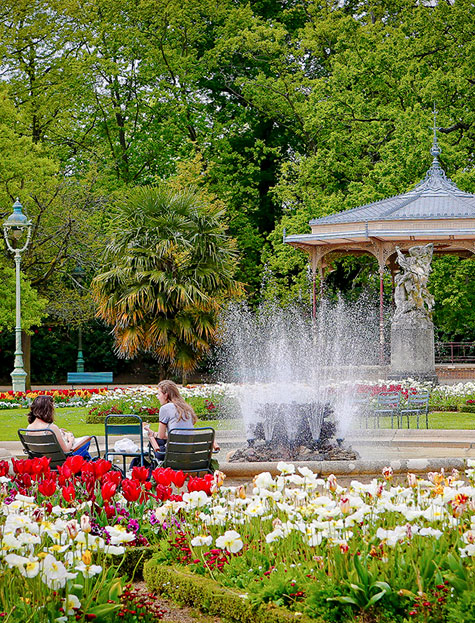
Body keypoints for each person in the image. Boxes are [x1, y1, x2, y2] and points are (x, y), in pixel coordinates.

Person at [144, 380, 219, 461]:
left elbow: (161, 436)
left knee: (151, 444)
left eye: (159, 394)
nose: (157, 397)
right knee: (160, 443)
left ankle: (146, 470)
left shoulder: (165, 408)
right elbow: (181, 434)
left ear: (166, 395)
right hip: (190, 452)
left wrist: (152, 435)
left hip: (173, 454)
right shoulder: (186, 408)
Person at [26, 395, 92, 459]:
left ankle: (88, 462)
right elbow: (66, 450)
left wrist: (59, 431)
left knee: (86, 455)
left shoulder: (29, 428)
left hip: (43, 460)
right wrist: (70, 439)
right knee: (86, 441)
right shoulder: (51, 428)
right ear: (48, 410)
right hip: (60, 461)